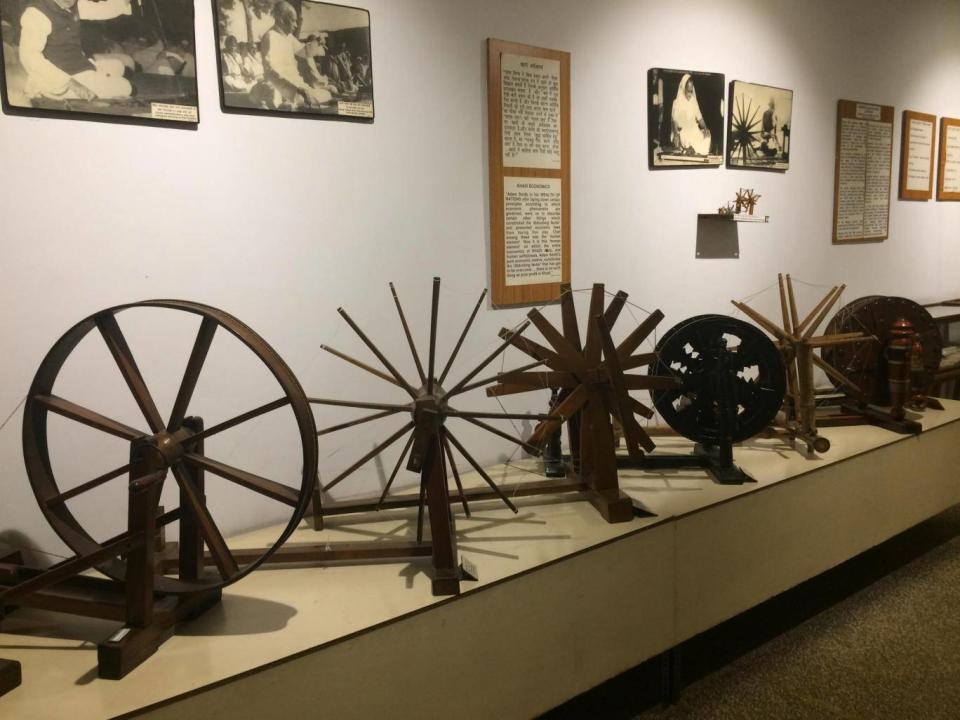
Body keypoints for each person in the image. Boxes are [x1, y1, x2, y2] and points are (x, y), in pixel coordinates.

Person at [18, 0, 132, 101]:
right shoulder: (36, 13)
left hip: (76, 65)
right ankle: (43, 90)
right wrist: (71, 83)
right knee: (125, 87)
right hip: (58, 79)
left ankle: (97, 79)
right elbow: (29, 57)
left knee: (118, 66)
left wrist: (123, 2)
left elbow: (103, 9)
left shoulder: (72, 4)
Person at [261, 2, 334, 108]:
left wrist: (317, 42)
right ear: (281, 19)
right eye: (293, 21)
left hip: (295, 84)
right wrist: (297, 87)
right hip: (280, 85)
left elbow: (304, 52)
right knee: (315, 99)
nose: (296, 25)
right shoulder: (270, 36)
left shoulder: (288, 36)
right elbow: (273, 70)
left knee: (326, 95)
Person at [670, 73, 711, 156]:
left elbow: (700, 118)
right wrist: (676, 134)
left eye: (691, 91)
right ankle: (689, 149)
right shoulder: (677, 102)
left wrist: (705, 128)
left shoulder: (693, 101)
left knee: (707, 137)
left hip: (694, 130)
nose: (690, 94)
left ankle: (691, 150)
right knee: (690, 141)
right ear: (683, 88)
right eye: (688, 91)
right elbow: (674, 121)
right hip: (682, 132)